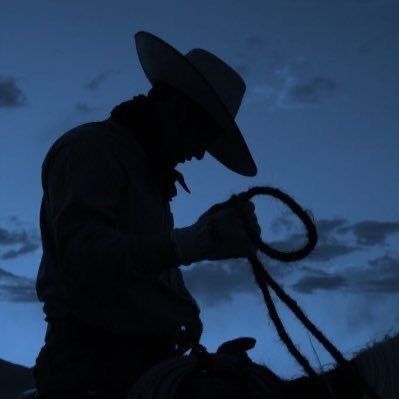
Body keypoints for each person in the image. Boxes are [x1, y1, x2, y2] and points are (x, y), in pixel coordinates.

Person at [33, 31, 261, 399]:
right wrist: (193, 242)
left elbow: (139, 271)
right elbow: (83, 257)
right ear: (175, 110)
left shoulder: (147, 171)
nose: (201, 152)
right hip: (95, 367)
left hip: (147, 359)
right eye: (202, 134)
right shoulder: (92, 148)